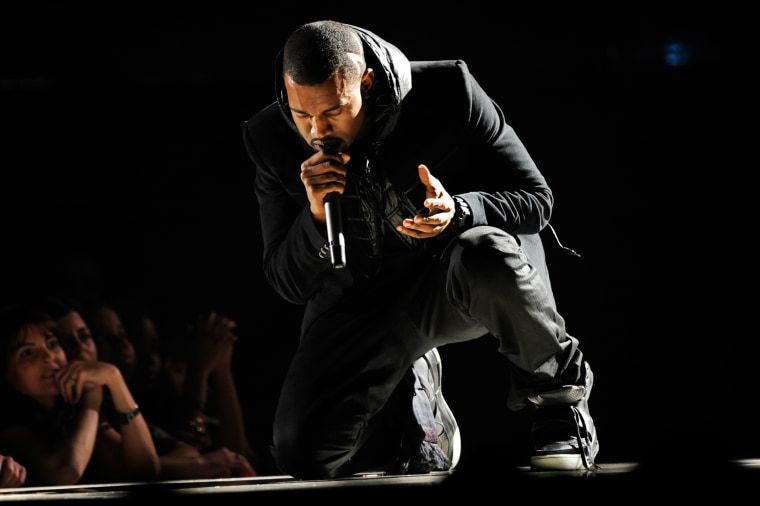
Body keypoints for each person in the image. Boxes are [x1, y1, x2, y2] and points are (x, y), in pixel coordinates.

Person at [241, 20, 599, 479]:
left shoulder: (448, 91)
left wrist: (462, 211)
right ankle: (414, 414)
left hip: (457, 276)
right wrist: (313, 218)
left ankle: (560, 406)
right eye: (301, 114)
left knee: (485, 252)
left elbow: (536, 200)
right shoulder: (270, 139)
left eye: (332, 111)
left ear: (365, 83)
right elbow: (286, 281)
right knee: (303, 455)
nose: (316, 130)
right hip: (366, 301)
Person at [49, 297, 258, 479]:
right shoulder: (76, 407)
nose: (123, 344)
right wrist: (200, 373)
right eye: (106, 338)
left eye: (85, 336)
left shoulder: (141, 392)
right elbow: (135, 465)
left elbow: (197, 450)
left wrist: (221, 369)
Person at [0, 303, 161, 485]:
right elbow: (65, 472)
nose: (48, 356)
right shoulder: (8, 422)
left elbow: (146, 469)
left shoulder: (68, 409)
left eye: (52, 344)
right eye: (27, 352)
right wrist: (92, 401)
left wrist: (115, 379)